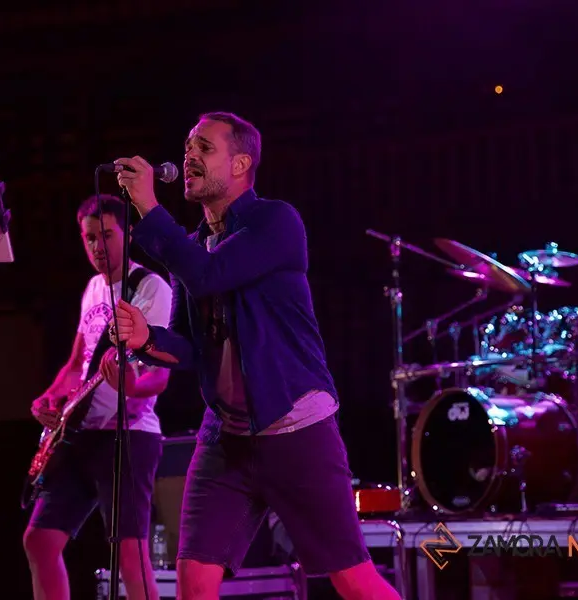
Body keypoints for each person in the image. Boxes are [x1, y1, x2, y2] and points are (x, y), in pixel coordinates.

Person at [108, 112, 401, 600]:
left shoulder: (275, 221)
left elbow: (207, 275)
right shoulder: (198, 243)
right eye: (187, 146)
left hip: (296, 430)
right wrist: (146, 339)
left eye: (204, 148)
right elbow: (189, 346)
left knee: (353, 580)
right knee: (194, 582)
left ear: (241, 163)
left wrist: (148, 209)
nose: (188, 156)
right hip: (227, 437)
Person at [23, 194, 172, 600]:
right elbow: (77, 362)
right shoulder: (92, 288)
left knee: (130, 553)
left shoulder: (149, 287)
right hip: (79, 433)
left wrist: (129, 384)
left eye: (106, 235)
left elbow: (157, 376)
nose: (97, 247)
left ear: (127, 234)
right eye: (89, 238)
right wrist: (50, 398)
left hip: (128, 434)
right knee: (39, 540)